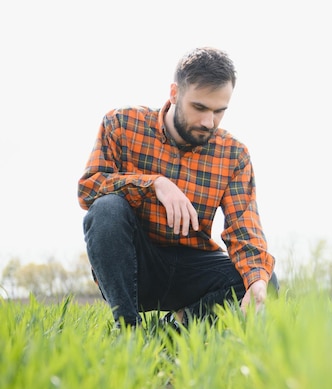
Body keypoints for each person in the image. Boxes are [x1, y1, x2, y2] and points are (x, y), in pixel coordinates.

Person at [78, 47, 277, 328]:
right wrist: (154, 183)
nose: (209, 122)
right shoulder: (121, 124)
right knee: (107, 208)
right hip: (136, 264)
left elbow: (244, 226)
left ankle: (171, 328)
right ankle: (128, 331)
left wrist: (257, 278)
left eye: (219, 111)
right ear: (174, 93)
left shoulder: (234, 155)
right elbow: (89, 189)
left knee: (261, 279)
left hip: (193, 267)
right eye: (199, 108)